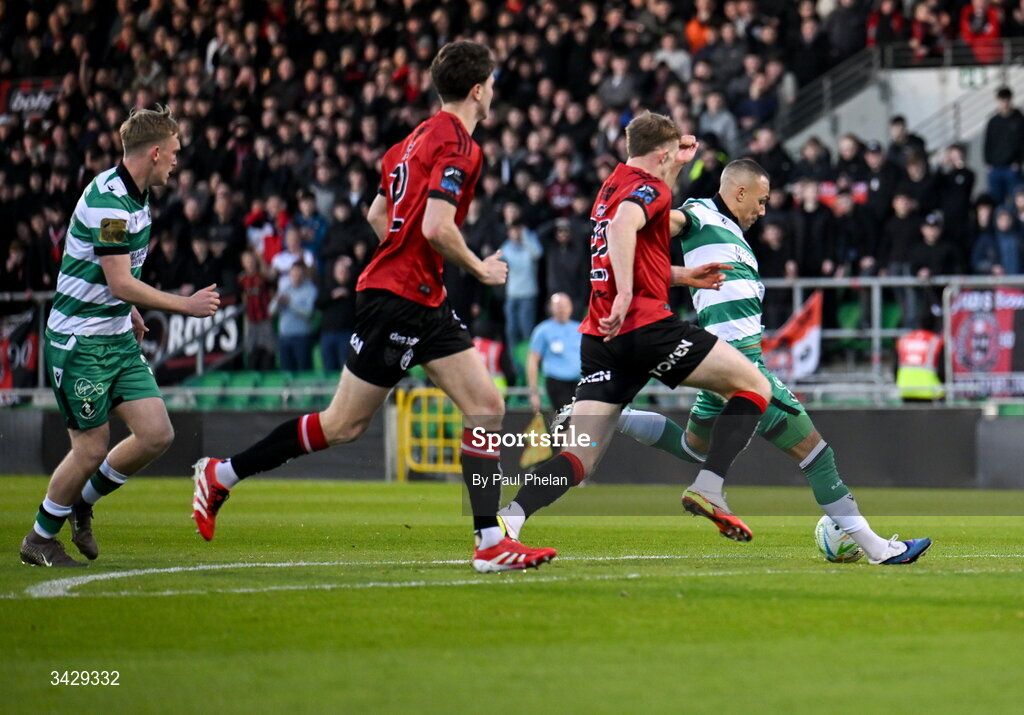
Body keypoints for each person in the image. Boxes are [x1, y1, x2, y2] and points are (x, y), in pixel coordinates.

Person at [190, 41, 557, 573]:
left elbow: (377, 212)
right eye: (493, 83)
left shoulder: (410, 142)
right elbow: (434, 226)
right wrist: (477, 267)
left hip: (420, 297)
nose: (494, 91)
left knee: (486, 404)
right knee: (343, 425)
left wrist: (412, 261)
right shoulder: (459, 145)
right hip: (397, 300)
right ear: (478, 90)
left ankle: (488, 543)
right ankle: (220, 474)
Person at [608, 162, 933, 565]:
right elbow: (656, 222)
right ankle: (878, 549)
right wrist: (628, 215)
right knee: (817, 455)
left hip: (716, 362)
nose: (763, 211)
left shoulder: (737, 240)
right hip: (741, 368)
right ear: (739, 192)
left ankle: (611, 417)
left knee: (694, 449)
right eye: (760, 201)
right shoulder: (699, 214)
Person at [497, 117, 774, 546]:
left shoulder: (612, 185)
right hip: (645, 327)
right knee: (754, 385)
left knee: (579, 459)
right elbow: (622, 226)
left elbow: (633, 246)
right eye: (673, 159)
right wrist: (627, 292)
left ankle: (510, 517)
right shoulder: (650, 189)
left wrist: (682, 277)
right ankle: (709, 488)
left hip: (600, 336)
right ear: (661, 156)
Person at [20, 106, 221, 568]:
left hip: (113, 334)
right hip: (81, 341)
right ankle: (39, 537)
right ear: (153, 152)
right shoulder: (111, 202)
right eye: (172, 153)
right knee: (90, 446)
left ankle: (83, 502)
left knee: (156, 433)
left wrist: (126, 309)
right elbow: (118, 280)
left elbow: (109, 272)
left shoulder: (138, 193)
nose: (176, 161)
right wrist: (183, 304)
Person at [526, 293, 582, 414]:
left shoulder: (579, 329)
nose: (562, 308)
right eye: (558, 305)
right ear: (551, 308)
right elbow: (532, 360)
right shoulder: (543, 330)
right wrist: (533, 392)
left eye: (565, 305)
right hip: (556, 381)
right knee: (564, 419)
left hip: (578, 382)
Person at [983, 87, 1024, 205]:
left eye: (1006, 100)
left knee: (1016, 202)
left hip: (1012, 168)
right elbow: (988, 142)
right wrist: (987, 162)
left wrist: (1018, 162)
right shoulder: (993, 121)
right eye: (1001, 100)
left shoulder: (1019, 119)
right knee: (996, 202)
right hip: (995, 168)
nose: (1004, 103)